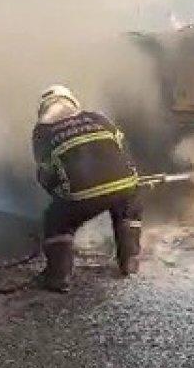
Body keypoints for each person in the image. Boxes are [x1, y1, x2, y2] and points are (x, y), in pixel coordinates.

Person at [32, 85, 142, 293]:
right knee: (128, 212)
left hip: (82, 194)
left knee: (55, 220)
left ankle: (58, 277)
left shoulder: (42, 132)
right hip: (125, 184)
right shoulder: (99, 118)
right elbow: (122, 149)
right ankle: (130, 260)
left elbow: (46, 174)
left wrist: (60, 198)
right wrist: (129, 176)